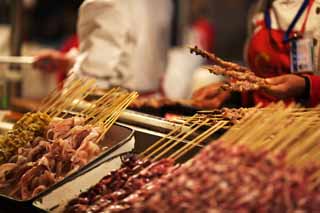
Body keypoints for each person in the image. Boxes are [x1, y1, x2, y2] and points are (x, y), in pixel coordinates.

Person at [192, 0, 320, 108]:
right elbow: (262, 76)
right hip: (262, 122)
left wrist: (306, 85)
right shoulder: (260, 8)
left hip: (307, 127)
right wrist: (234, 91)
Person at [34, 0, 173, 95]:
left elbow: (96, 73)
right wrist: (70, 61)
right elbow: (128, 54)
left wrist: (63, 111)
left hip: (116, 107)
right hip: (148, 101)